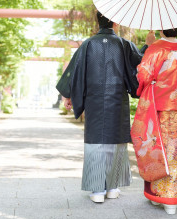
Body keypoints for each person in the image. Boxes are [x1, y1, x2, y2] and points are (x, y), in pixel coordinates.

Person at [56, 11, 155, 203]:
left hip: (94, 101)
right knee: (115, 141)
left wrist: (67, 94)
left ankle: (96, 190)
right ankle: (112, 187)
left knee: (96, 141)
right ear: (115, 23)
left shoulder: (87, 45)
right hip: (117, 99)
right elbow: (141, 62)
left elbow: (74, 71)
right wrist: (148, 45)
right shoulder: (123, 44)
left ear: (98, 22)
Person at [131, 28, 177, 214]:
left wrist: (149, 45)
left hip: (159, 108)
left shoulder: (156, 50)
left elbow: (143, 76)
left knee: (158, 149)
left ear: (161, 31)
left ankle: (159, 195)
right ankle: (172, 198)